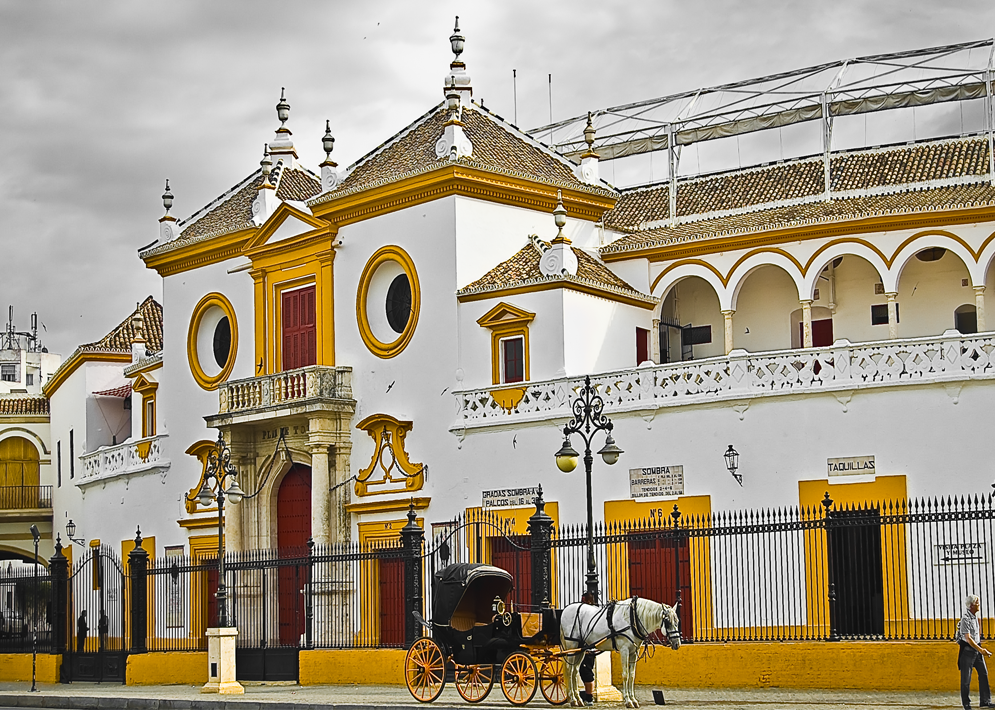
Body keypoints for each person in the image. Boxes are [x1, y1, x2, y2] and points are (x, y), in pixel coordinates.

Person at [956, 594, 992, 709]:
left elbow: (976, 636)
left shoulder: (975, 617)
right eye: (977, 602)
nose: (979, 605)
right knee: (966, 679)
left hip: (976, 651)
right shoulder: (965, 619)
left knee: (983, 674)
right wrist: (981, 649)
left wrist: (979, 648)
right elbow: (968, 638)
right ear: (971, 605)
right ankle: (966, 703)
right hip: (967, 651)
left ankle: (985, 701)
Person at [579, 592, 596, 706]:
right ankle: (587, 695)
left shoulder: (587, 613)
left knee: (586, 671)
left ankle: (589, 697)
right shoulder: (595, 612)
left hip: (587, 647)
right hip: (590, 646)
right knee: (586, 671)